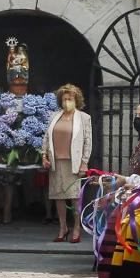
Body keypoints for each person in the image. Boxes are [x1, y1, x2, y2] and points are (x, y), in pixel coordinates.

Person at [43, 84, 93, 243]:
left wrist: (84, 163)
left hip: (74, 162)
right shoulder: (54, 116)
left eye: (70, 99)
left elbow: (88, 142)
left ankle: (77, 228)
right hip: (56, 162)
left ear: (76, 100)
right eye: (64, 99)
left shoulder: (84, 118)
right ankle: (63, 227)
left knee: (75, 197)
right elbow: (46, 137)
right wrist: (44, 155)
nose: (66, 102)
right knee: (59, 196)